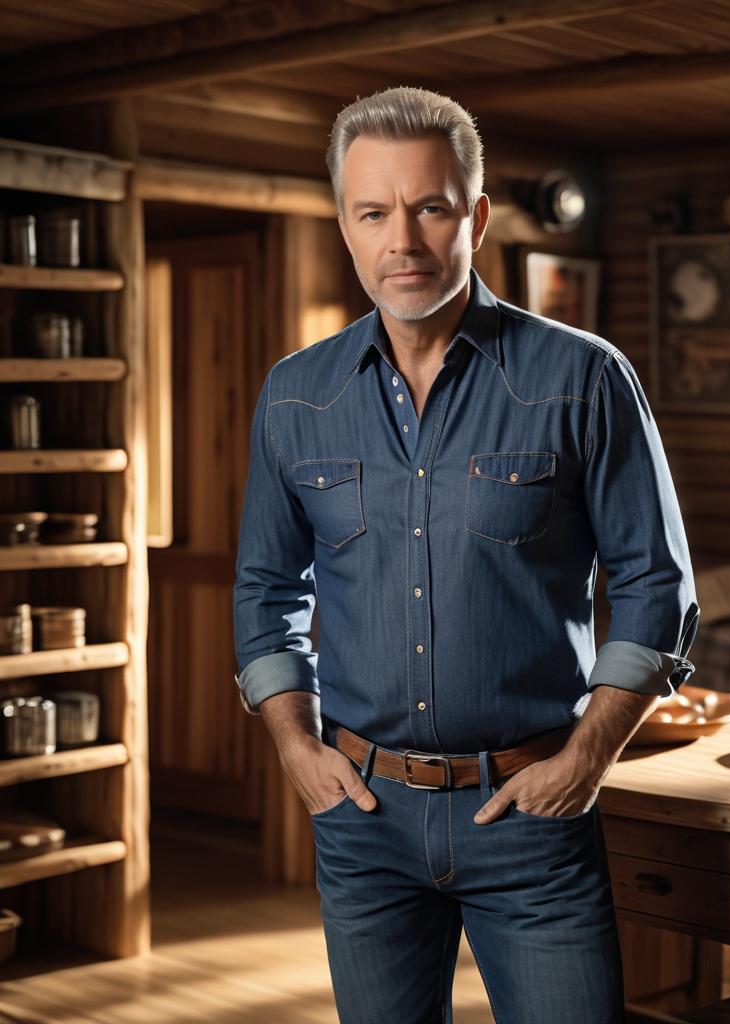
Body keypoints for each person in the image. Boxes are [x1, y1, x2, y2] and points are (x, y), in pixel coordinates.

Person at [233, 85, 699, 1024]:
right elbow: (266, 587)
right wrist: (294, 743)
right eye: (374, 212)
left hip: (534, 820)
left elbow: (657, 583)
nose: (401, 239)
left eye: (430, 206)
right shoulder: (294, 396)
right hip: (361, 822)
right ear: (345, 225)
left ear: (476, 217)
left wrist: (588, 759)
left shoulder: (581, 378)